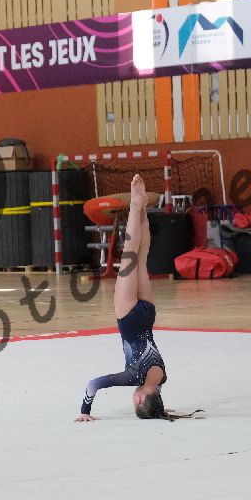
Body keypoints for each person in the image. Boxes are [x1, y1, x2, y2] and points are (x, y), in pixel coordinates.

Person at [76, 174, 174, 421]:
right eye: (135, 402)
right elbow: (93, 385)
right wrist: (85, 412)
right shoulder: (134, 377)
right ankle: (135, 204)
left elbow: (155, 393)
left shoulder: (161, 377)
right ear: (139, 399)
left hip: (148, 314)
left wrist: (160, 410)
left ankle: (141, 208)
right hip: (129, 317)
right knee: (130, 254)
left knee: (142, 256)